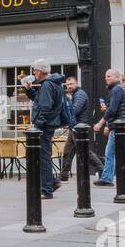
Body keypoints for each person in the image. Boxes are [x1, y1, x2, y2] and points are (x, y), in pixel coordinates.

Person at [22, 59, 65, 199]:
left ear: (39, 71)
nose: (33, 73)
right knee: (43, 156)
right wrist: (29, 90)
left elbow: (45, 109)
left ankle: (47, 189)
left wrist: (37, 127)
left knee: (43, 157)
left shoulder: (47, 85)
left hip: (44, 127)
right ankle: (53, 182)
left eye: (34, 70)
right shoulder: (53, 84)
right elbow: (39, 102)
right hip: (48, 125)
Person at [58, 75, 102, 182]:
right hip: (75, 127)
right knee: (68, 152)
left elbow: (75, 110)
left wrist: (65, 119)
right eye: (67, 84)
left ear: (76, 83)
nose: (69, 86)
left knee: (85, 152)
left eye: (71, 84)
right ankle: (63, 175)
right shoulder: (75, 94)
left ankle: (102, 169)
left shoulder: (80, 95)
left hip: (79, 128)